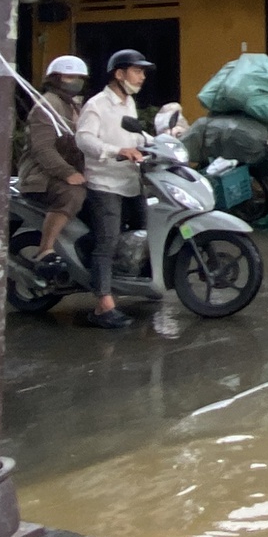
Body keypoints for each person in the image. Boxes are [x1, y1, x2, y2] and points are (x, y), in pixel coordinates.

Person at [74, 49, 151, 332]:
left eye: (143, 72)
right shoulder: (97, 105)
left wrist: (160, 142)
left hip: (131, 181)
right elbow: (84, 140)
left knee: (144, 232)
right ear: (119, 74)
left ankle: (134, 284)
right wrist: (116, 150)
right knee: (107, 241)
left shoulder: (129, 103)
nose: (142, 77)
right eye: (137, 71)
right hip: (105, 183)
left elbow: (135, 135)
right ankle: (103, 304)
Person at [18, 55, 89, 272]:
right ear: (55, 79)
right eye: (69, 77)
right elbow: (42, 148)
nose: (75, 81)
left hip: (69, 170)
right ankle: (45, 249)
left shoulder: (74, 105)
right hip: (41, 175)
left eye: (79, 77)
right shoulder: (47, 105)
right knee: (72, 194)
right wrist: (67, 172)